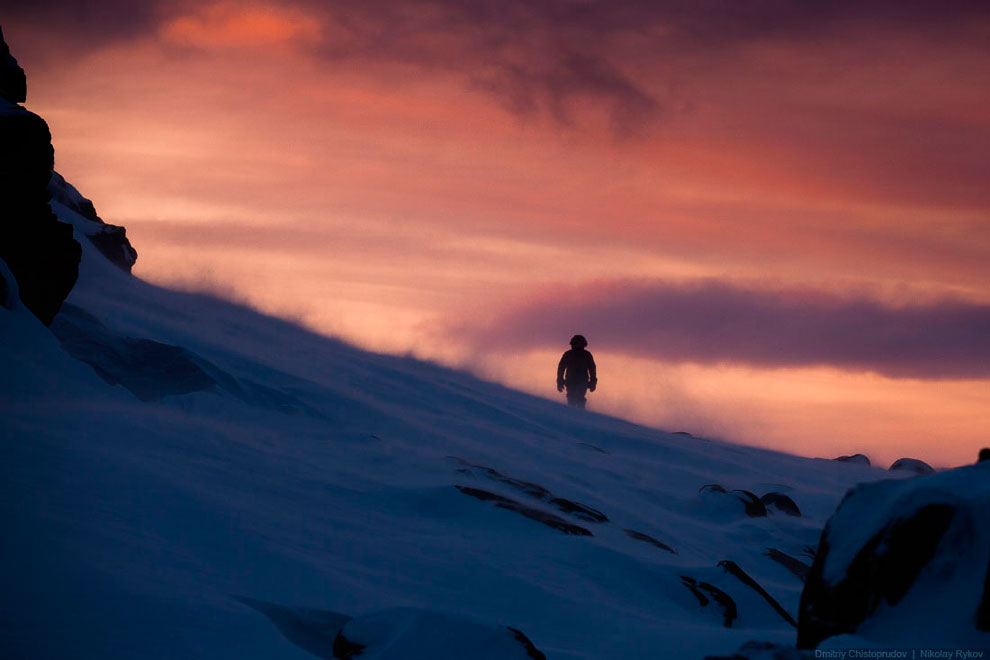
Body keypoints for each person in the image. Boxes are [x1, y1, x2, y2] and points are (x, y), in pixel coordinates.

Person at [557, 334, 597, 408]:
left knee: (579, 398)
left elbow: (592, 369)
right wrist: (559, 380)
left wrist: (593, 381)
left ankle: (579, 413)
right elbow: (561, 368)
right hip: (571, 381)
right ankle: (573, 413)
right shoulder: (568, 354)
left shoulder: (587, 355)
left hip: (582, 381)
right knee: (571, 398)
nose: (578, 345)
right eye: (576, 343)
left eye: (579, 343)